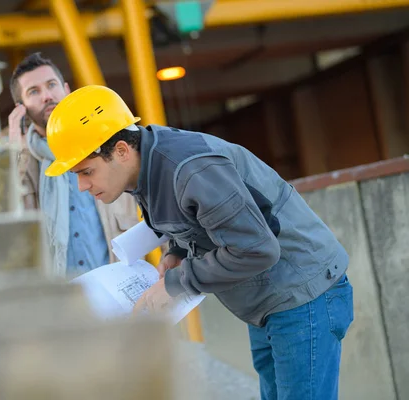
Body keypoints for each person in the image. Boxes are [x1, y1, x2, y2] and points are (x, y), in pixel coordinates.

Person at [43, 84, 354, 400]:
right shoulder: (147, 162)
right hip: (271, 301)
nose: (82, 185)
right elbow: (198, 218)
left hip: (302, 294)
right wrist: (178, 251)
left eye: (86, 172)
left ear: (121, 151)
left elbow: (256, 248)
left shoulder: (190, 168)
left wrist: (177, 282)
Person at [4, 53, 140, 279]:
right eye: (34, 91)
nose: (47, 96)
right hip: (58, 301)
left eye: (51, 85)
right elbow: (5, 221)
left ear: (66, 90)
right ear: (21, 108)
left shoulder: (107, 139)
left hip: (119, 289)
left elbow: (152, 205)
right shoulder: (20, 162)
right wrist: (14, 154)